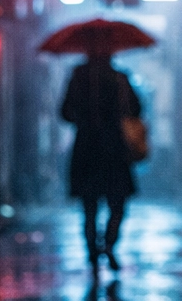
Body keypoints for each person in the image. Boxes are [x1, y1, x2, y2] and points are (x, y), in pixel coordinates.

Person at [60, 50, 143, 269]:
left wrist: (84, 115)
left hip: (86, 149)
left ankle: (93, 251)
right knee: (117, 204)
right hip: (114, 149)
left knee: (89, 206)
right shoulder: (120, 78)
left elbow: (65, 113)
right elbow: (136, 109)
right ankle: (108, 244)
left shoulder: (77, 79)